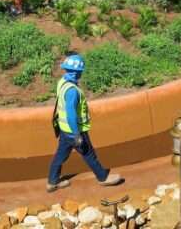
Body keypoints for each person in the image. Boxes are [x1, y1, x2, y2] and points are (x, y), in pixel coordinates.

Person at [47, 54, 124, 192]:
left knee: (61, 155)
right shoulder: (73, 92)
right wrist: (77, 135)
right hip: (74, 130)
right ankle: (103, 177)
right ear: (78, 72)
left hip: (64, 129)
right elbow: (71, 114)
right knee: (89, 153)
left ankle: (52, 182)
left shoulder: (62, 82)